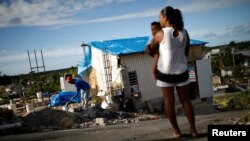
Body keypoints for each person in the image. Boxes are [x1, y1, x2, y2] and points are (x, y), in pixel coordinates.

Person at [148, 6, 197, 138]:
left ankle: (177, 131)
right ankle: (193, 131)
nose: (159, 20)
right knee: (186, 101)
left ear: (166, 18)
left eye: (160, 17)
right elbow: (186, 53)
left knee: (169, 102)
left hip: (165, 73)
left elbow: (150, 49)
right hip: (182, 71)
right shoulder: (185, 32)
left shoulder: (161, 34)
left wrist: (152, 51)